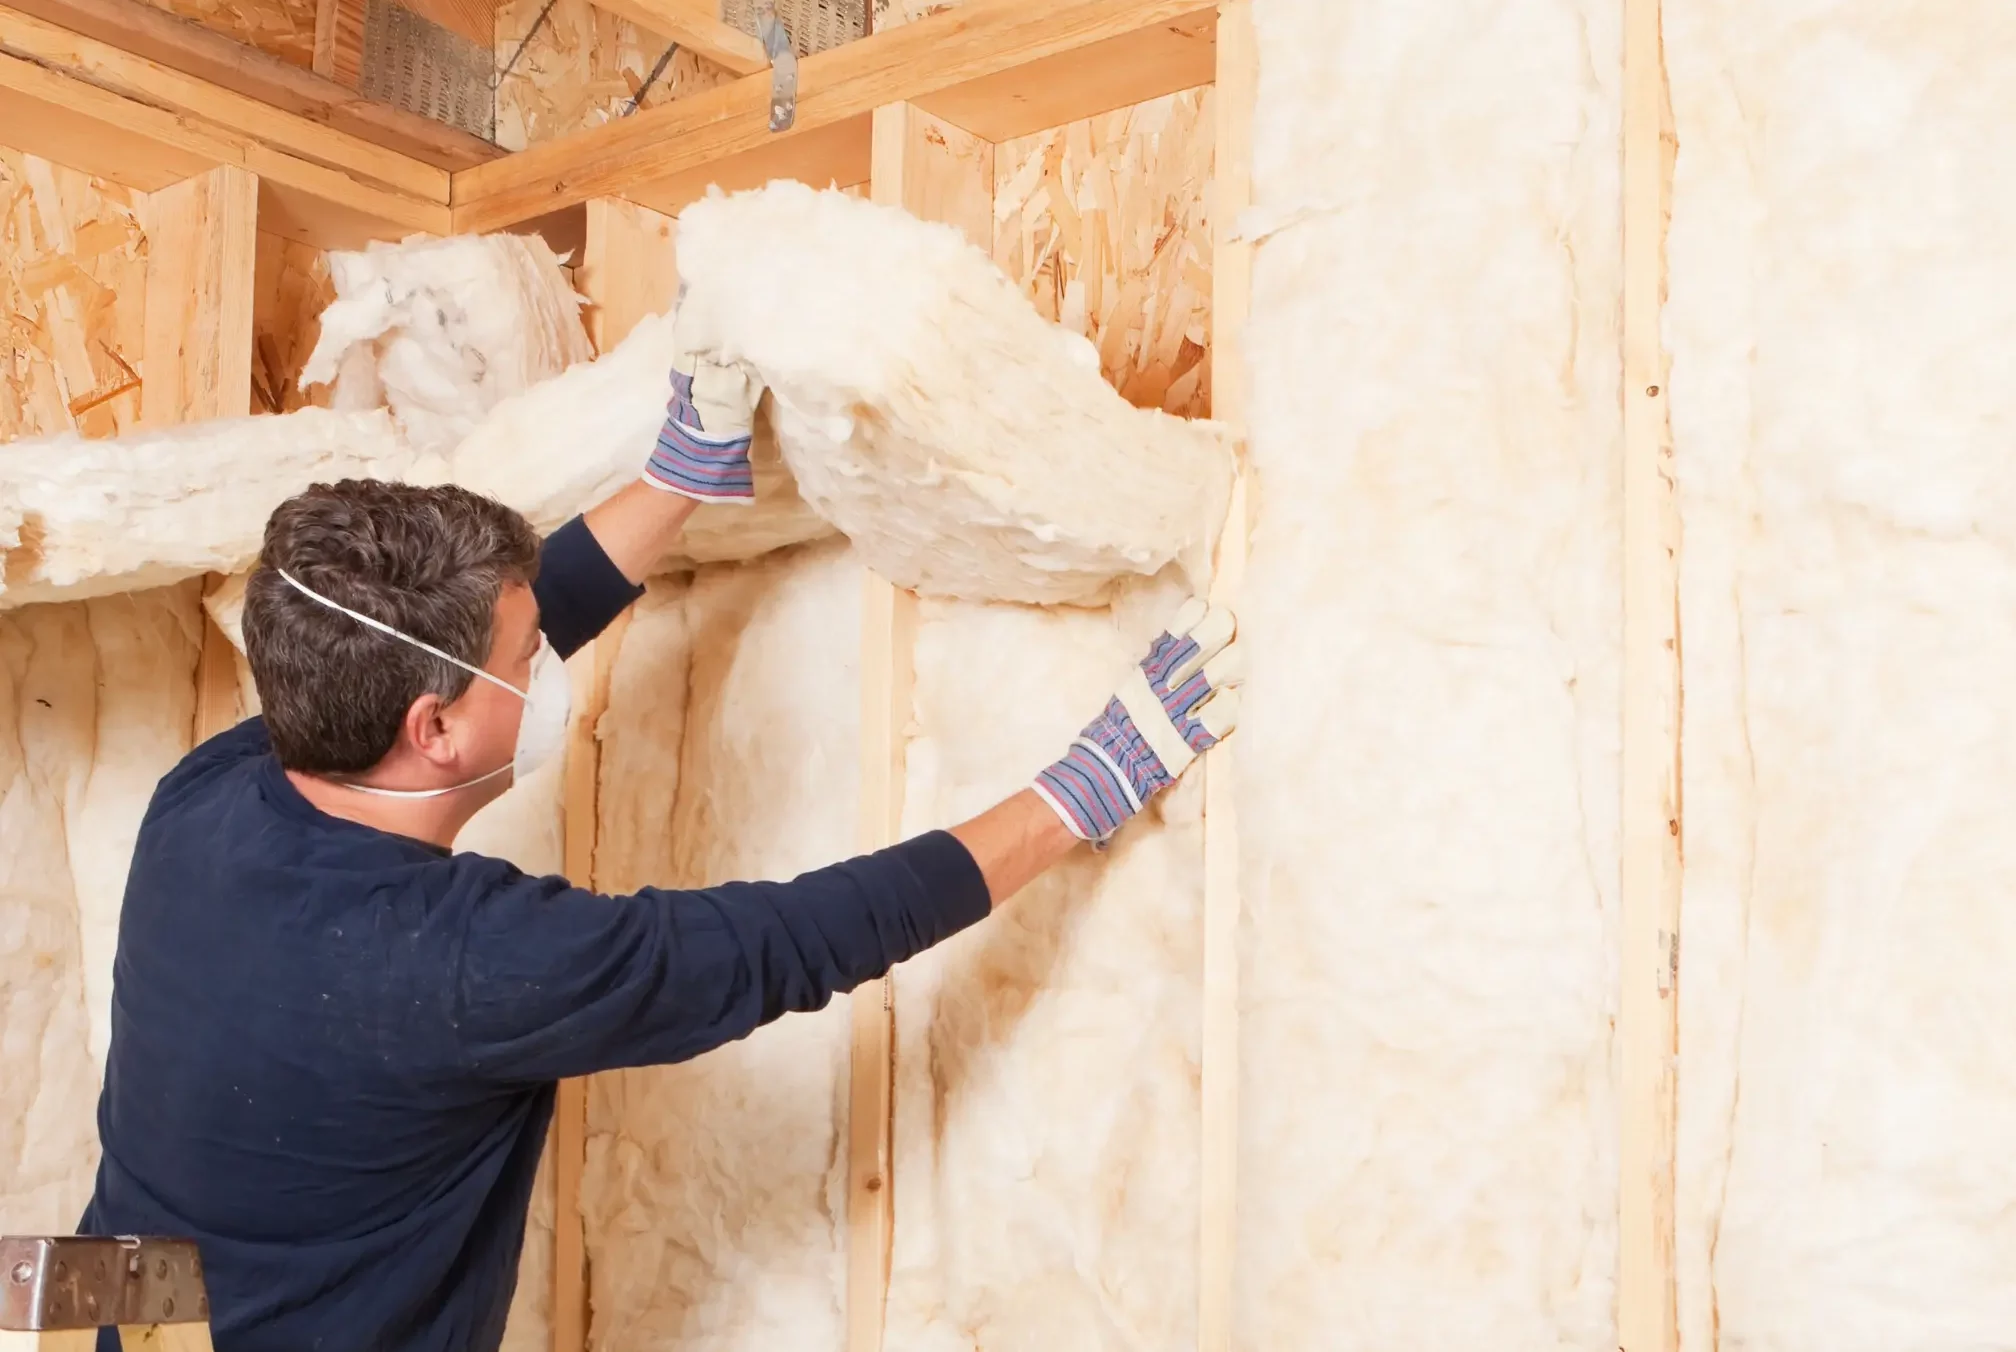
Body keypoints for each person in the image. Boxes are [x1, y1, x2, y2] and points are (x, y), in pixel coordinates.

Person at [74, 319, 1240, 1352]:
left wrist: (679, 474)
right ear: (432, 730)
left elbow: (458, 650)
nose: (543, 666)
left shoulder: (212, 795)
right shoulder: (462, 964)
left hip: (116, 1326)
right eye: (525, 659)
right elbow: (791, 939)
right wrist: (1080, 791)